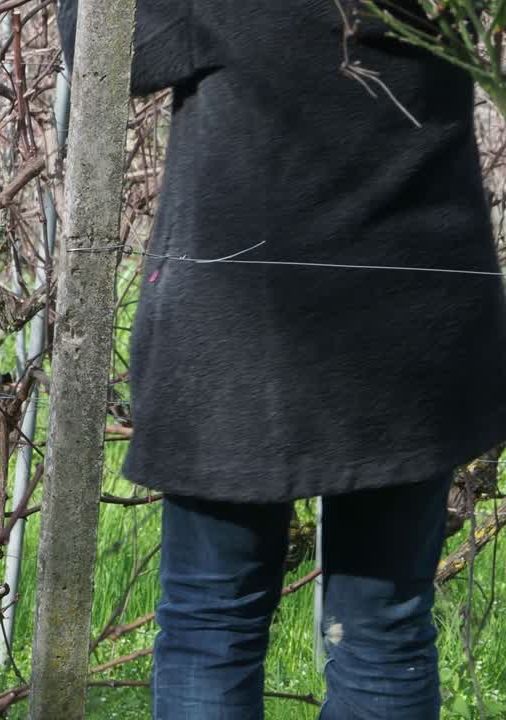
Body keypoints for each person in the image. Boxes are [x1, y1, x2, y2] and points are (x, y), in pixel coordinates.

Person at [55, 1, 506, 718]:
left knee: (212, 624)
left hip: (239, 332)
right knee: (384, 634)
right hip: (414, 317)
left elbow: (112, 57)